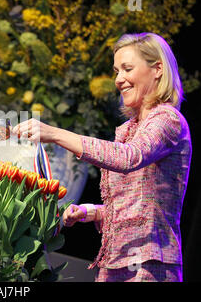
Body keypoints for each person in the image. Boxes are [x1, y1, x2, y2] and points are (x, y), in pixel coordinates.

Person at [13, 32, 192, 282]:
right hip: (115, 263)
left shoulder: (168, 119)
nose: (119, 79)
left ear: (158, 69)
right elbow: (139, 207)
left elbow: (129, 157)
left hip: (149, 266)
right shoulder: (129, 128)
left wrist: (54, 134)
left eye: (127, 69)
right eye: (116, 71)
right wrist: (94, 212)